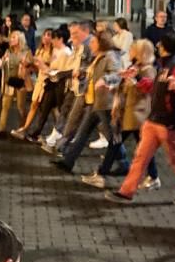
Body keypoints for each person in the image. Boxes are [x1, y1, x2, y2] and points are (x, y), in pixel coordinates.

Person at [107, 32, 175, 205]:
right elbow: (155, 88)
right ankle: (126, 191)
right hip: (154, 120)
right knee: (140, 157)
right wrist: (135, 78)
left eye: (160, 44)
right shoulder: (165, 65)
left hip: (168, 123)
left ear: (164, 47)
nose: (157, 46)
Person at [83, 39, 160, 190]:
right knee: (141, 147)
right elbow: (127, 88)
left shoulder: (148, 70)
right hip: (129, 113)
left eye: (133, 49)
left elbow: (145, 89)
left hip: (136, 115)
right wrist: (113, 87)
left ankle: (102, 175)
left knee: (116, 143)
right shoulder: (136, 67)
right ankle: (153, 176)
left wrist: (132, 80)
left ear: (140, 53)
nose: (130, 51)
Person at [52, 33, 121, 173]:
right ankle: (68, 162)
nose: (90, 44)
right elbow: (92, 74)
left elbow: (117, 75)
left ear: (102, 43)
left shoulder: (110, 57)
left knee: (112, 136)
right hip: (93, 102)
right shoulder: (98, 57)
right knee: (83, 133)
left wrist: (106, 80)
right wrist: (82, 73)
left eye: (94, 42)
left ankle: (124, 162)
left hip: (103, 103)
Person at [12, 29, 53, 139]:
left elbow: (53, 68)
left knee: (51, 110)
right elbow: (36, 69)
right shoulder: (40, 50)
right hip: (40, 81)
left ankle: (60, 131)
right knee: (34, 106)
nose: (45, 37)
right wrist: (29, 66)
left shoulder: (53, 52)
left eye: (48, 35)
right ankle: (25, 129)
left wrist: (41, 64)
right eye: (44, 35)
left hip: (49, 83)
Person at [0, 31, 30, 135]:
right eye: (11, 38)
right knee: (5, 105)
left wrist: (26, 65)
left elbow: (31, 67)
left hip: (20, 82)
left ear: (20, 39)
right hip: (9, 82)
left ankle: (23, 127)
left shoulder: (26, 52)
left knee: (21, 107)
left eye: (14, 38)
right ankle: (1, 128)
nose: (11, 40)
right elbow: (0, 65)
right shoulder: (8, 51)